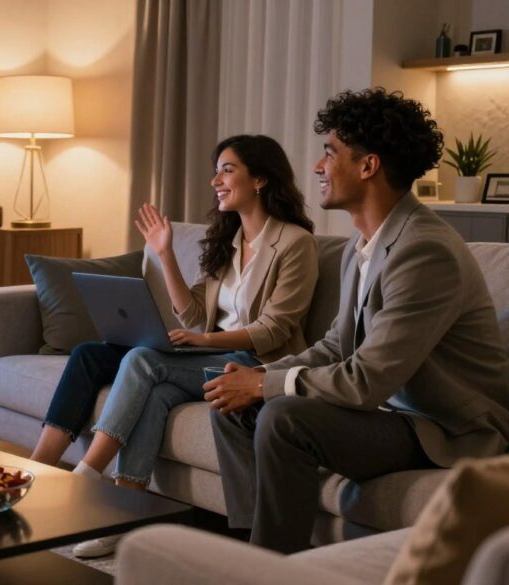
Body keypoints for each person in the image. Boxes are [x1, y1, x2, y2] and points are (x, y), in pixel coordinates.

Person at [207, 88, 509, 554]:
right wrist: (255, 377)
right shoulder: (359, 246)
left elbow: (366, 381)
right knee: (232, 402)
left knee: (285, 418)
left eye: (330, 153)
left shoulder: (424, 251)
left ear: (368, 166)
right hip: (393, 413)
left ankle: (273, 570)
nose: (317, 167)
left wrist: (267, 387)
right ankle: (253, 549)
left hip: (441, 429)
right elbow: (335, 345)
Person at [29, 135, 320, 559]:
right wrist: (165, 255)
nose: (214, 180)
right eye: (216, 169)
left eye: (226, 169)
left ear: (259, 178)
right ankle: (121, 516)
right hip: (209, 355)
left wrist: (205, 340)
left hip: (253, 363)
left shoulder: (295, 244)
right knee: (158, 392)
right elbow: (194, 315)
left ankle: (86, 476)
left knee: (144, 361)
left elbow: (273, 331)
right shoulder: (230, 241)